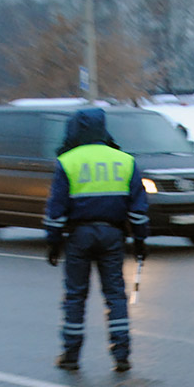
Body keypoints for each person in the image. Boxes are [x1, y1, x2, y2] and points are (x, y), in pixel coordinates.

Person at [45, 108, 149, 372]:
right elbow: (138, 209)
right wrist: (140, 241)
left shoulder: (68, 161)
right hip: (113, 234)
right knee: (114, 294)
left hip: (79, 236)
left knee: (75, 296)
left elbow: (56, 208)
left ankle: (70, 355)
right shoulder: (125, 160)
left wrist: (53, 241)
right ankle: (121, 354)